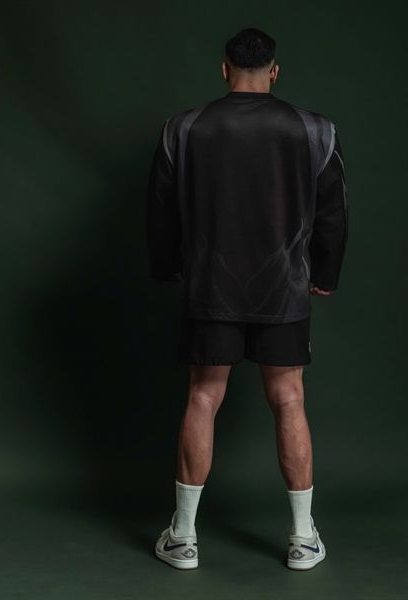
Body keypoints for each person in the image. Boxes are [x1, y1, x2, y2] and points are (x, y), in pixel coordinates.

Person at [146, 27, 348, 571]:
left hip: (210, 286)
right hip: (284, 286)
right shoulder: (315, 129)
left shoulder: (184, 127)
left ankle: (183, 538)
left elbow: (160, 210)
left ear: (224, 69)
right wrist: (325, 273)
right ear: (274, 71)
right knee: (289, 398)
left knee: (203, 396)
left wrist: (167, 268)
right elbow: (333, 211)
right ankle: (302, 539)